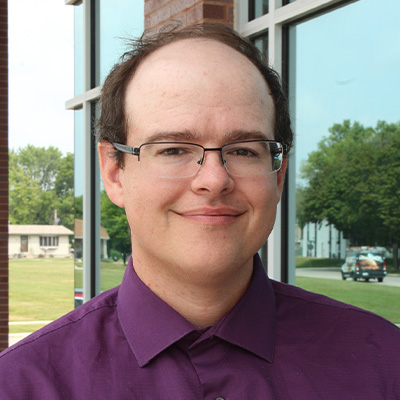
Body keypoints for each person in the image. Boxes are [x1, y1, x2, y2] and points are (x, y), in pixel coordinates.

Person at [0, 23, 399, 399]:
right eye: (173, 149)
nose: (214, 179)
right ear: (114, 172)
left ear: (278, 177)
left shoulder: (385, 364)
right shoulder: (21, 385)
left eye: (244, 150)